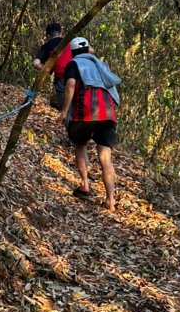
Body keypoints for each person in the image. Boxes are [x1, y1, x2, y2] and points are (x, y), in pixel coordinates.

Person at [58, 37, 121, 211]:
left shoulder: (74, 64)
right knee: (105, 157)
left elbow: (71, 85)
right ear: (88, 49)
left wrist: (64, 111)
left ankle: (85, 184)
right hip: (108, 114)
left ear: (72, 52)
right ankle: (110, 200)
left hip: (85, 113)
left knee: (80, 144)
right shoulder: (100, 65)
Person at [33, 23, 73, 111]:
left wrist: (48, 69)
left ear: (48, 35)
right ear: (61, 33)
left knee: (66, 110)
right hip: (78, 75)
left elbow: (36, 63)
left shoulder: (47, 46)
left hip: (61, 79)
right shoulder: (70, 42)